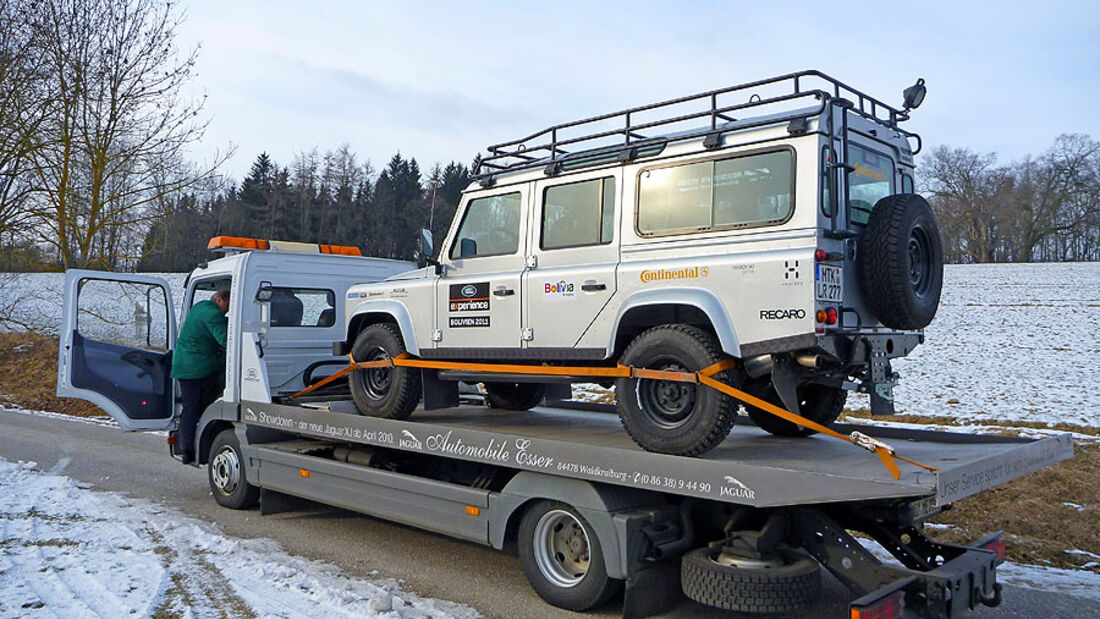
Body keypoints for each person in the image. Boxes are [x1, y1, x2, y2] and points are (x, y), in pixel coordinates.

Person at [171, 289, 229, 464]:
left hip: (184, 365)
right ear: (219, 300)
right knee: (196, 407)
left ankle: (187, 447)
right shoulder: (213, 314)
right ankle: (189, 449)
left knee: (190, 408)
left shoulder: (199, 308)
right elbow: (227, 341)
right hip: (197, 368)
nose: (228, 309)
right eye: (227, 304)